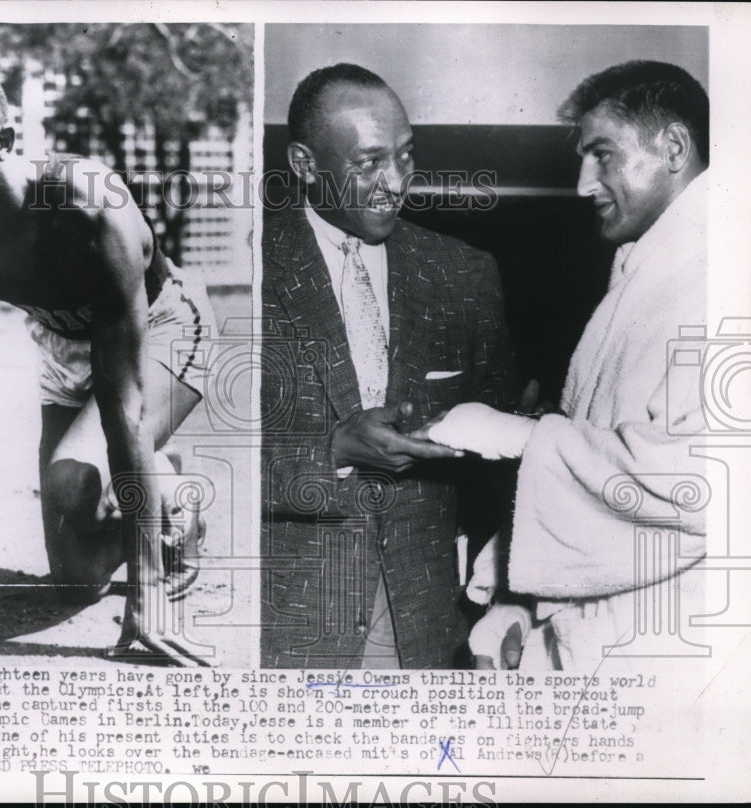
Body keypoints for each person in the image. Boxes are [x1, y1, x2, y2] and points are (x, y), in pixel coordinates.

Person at [0, 58, 216, 664]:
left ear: (2, 142)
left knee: (69, 474)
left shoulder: (88, 206)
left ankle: (173, 507)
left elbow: (123, 403)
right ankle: (148, 482)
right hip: (62, 343)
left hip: (158, 328)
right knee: (77, 579)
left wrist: (151, 594)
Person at [427, 61, 710, 669]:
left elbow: (702, 489)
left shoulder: (723, 274)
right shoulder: (648, 270)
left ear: (675, 148)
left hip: (669, 649)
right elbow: (603, 455)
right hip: (604, 634)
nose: (583, 183)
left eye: (602, 154)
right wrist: (519, 595)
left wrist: (523, 437)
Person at [260, 63, 519, 669]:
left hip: (431, 629)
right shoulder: (251, 271)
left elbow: (505, 458)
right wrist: (333, 451)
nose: (396, 181)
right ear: (304, 164)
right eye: (369, 161)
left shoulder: (465, 273)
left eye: (406, 155)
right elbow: (215, 471)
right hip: (287, 630)